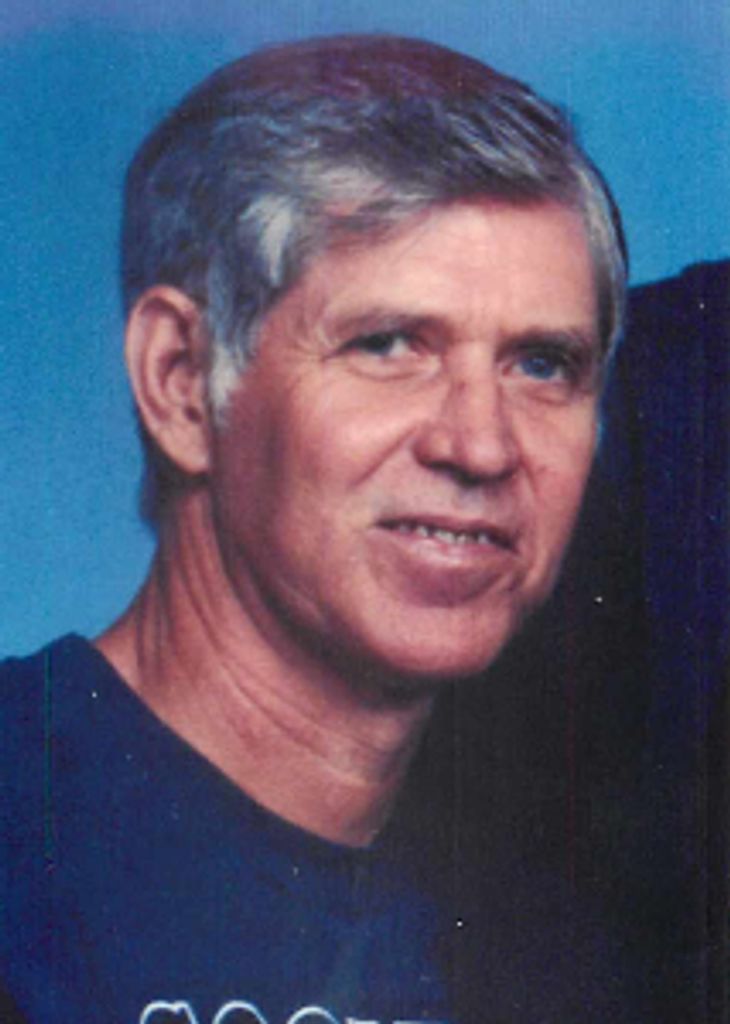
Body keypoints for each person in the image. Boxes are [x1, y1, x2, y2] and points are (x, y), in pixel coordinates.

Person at [0, 34, 628, 1024]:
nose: (481, 443)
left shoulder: (564, 940)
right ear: (180, 383)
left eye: (542, 364)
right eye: (388, 344)